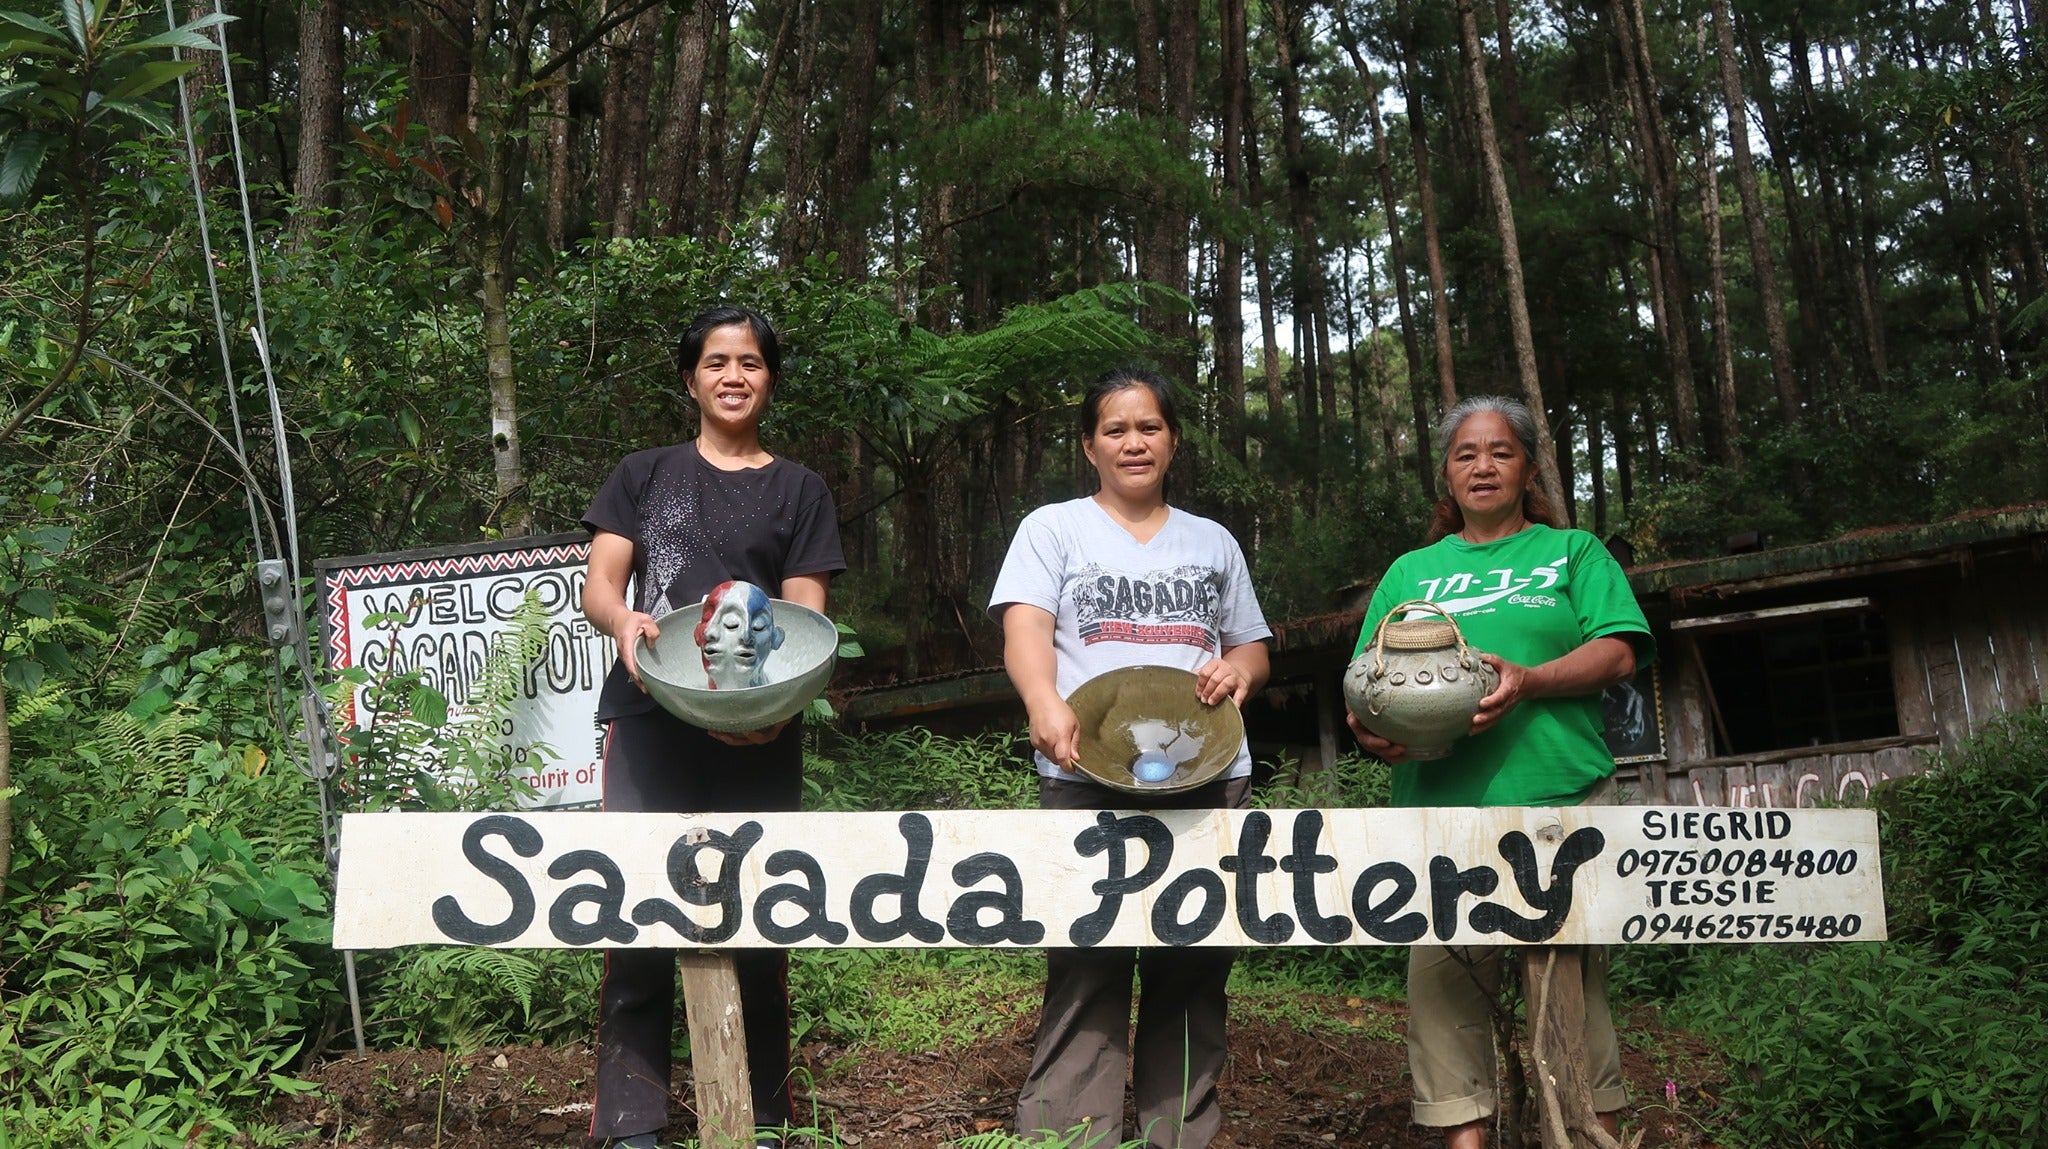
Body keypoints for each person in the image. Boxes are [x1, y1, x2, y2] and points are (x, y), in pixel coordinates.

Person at [1348, 395, 1654, 1148]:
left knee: (1570, 1006)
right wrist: (1372, 732)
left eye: (1500, 451)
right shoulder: (1411, 571)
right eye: (1466, 454)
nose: (1483, 465)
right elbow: (1368, 680)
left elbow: (1619, 652)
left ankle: (1584, 1136)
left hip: (1559, 802)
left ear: (1526, 467)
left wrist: (1530, 679)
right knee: (1445, 994)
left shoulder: (1573, 552)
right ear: (1446, 477)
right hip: (1441, 813)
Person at [580, 305, 845, 1149]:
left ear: (771, 378)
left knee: (762, 919)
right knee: (638, 920)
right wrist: (624, 623)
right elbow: (601, 587)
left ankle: (761, 1121)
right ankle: (633, 1126)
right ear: (690, 376)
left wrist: (774, 712)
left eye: (753, 363)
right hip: (648, 718)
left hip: (759, 729)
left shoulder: (801, 489)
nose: (735, 376)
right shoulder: (644, 473)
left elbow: (807, 618)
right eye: (717, 362)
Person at [990, 366, 1273, 1149]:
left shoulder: (1211, 540)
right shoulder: (1053, 529)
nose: (1134, 441)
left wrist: (1238, 671)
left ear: (1172, 440)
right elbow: (1025, 629)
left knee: (1192, 960)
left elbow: (1251, 647)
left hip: (1207, 774)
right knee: (1088, 956)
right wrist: (1044, 705)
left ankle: (1175, 1134)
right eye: (1115, 429)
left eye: (1148, 426)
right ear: (1090, 446)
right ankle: (1068, 1136)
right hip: (1085, 769)